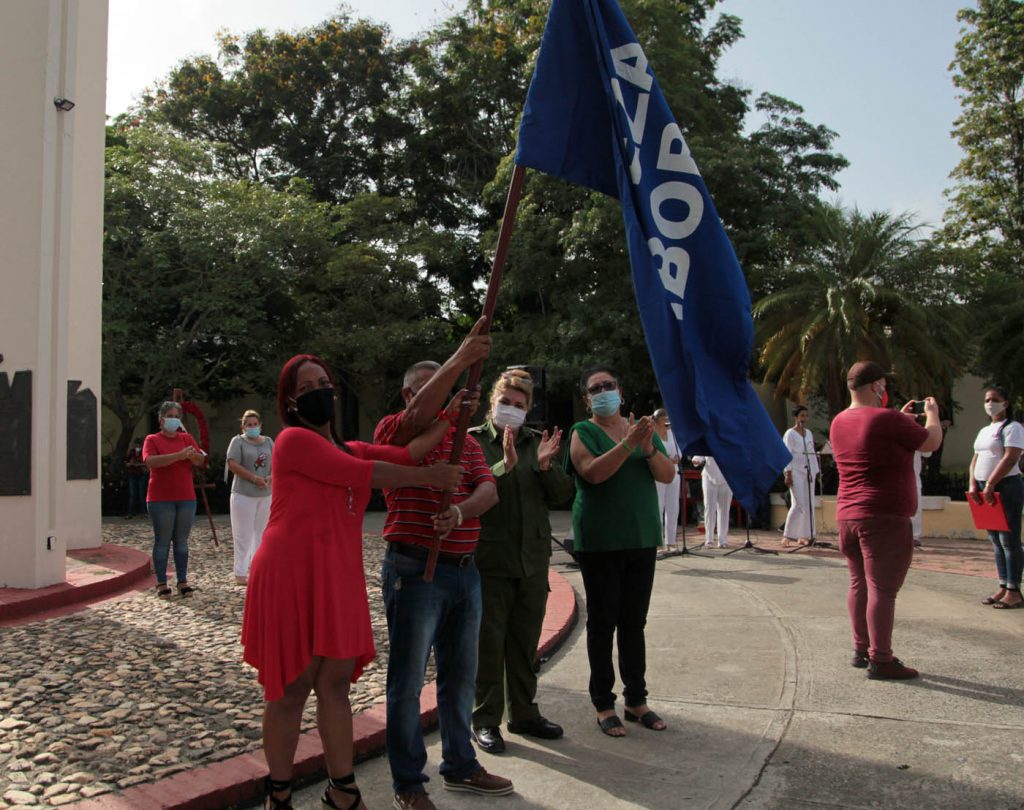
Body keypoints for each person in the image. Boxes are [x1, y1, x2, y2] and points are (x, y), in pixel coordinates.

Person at [241, 354, 463, 810]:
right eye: (307, 387)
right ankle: (278, 797)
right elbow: (369, 475)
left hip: (335, 573)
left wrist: (452, 415)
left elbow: (406, 452)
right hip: (290, 572)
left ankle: (343, 790)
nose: (319, 390)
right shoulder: (292, 441)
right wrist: (429, 478)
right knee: (292, 687)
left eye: (324, 381)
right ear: (291, 401)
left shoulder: (349, 447)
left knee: (336, 683)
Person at [374, 317, 512, 810]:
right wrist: (462, 358)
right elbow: (416, 423)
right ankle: (408, 783)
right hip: (415, 573)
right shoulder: (393, 431)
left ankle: (460, 765)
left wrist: (457, 511)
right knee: (407, 682)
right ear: (407, 393)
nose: (429, 398)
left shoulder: (467, 440)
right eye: (422, 390)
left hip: (464, 571)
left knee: (460, 676)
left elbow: (488, 490)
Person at [468, 368, 574, 755]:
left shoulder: (536, 443)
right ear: (491, 404)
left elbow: (562, 495)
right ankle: (485, 720)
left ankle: (525, 714)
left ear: (528, 410)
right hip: (490, 561)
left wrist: (546, 467)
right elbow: (469, 493)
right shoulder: (474, 443)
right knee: (489, 644)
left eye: (519, 405)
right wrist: (503, 467)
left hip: (532, 560)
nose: (511, 410)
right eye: (506, 403)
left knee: (526, 644)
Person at [568, 365, 676, 737]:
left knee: (634, 622)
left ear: (621, 391)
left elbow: (667, 474)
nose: (604, 391)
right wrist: (629, 443)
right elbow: (593, 473)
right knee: (603, 623)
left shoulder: (641, 430)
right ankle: (603, 703)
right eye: (596, 388)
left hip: (641, 538)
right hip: (600, 542)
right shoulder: (582, 432)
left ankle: (636, 700)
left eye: (609, 385)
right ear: (588, 399)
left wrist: (646, 449)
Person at [830, 361, 942, 680]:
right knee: (882, 589)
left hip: (848, 515)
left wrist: (900, 418)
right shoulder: (887, 419)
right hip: (884, 517)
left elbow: (876, 440)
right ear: (877, 386)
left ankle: (861, 649)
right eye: (883, 385)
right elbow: (930, 441)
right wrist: (932, 413)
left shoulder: (839, 421)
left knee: (858, 583)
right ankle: (881, 659)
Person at [968, 385, 1024, 609]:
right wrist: (973, 483)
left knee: (1008, 540)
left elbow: (1011, 457)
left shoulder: (1013, 428)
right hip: (984, 489)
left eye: (994, 399)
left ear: (1006, 403)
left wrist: (991, 483)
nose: (990, 403)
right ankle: (1003, 584)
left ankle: (1014, 589)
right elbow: (976, 458)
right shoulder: (984, 430)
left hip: (1006, 487)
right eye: (987, 400)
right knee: (995, 540)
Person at [143, 402, 206, 597]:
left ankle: (182, 581)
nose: (174, 419)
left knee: (181, 541)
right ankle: (161, 582)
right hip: (160, 498)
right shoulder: (152, 439)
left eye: (176, 416)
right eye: (170, 415)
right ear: (162, 420)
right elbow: (150, 461)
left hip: (186, 497)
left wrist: (193, 455)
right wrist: (178, 455)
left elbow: (200, 459)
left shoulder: (186, 438)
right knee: (162, 541)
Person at [226, 410, 275, 586]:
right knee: (243, 534)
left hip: (266, 494)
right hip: (244, 494)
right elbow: (233, 464)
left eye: (255, 424)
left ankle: (258, 568)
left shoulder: (268, 441)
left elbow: (276, 462)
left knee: (261, 533)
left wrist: (270, 476)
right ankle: (240, 571)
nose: (252, 427)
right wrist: (254, 478)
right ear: (243, 426)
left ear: (260, 425)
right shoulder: (238, 442)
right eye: (249, 425)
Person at [782, 405, 820, 547]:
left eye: (806, 416)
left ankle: (805, 535)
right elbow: (786, 454)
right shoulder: (790, 434)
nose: (804, 418)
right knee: (798, 504)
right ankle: (787, 535)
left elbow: (811, 451)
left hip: (808, 472)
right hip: (795, 472)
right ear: (796, 417)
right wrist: (788, 473)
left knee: (809, 504)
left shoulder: (808, 433)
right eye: (801, 416)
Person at [652, 408, 681, 555]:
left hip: (674, 473)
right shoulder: (652, 435)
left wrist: (677, 458)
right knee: (658, 507)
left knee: (673, 508)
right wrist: (665, 460)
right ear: (657, 421)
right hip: (659, 475)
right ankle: (658, 543)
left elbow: (679, 452)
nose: (667, 422)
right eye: (664, 420)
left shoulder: (672, 434)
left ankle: (671, 541)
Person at [691, 455, 732, 549]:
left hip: (727, 477)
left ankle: (723, 540)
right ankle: (709, 540)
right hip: (708, 476)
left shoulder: (731, 440)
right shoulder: (709, 440)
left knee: (724, 509)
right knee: (709, 508)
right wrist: (697, 459)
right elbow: (700, 454)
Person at [910, 450, 932, 549]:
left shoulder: (916, 434)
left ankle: (914, 536)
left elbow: (928, 452)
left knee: (915, 506)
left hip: (912, 478)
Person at [124, 437, 148, 519]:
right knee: (132, 494)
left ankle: (143, 513)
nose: (137, 446)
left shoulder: (145, 452)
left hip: (141, 474)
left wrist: (139, 465)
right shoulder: (131, 452)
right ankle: (130, 513)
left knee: (142, 494)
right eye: (136, 444)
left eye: (139, 445)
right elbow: (126, 461)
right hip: (132, 474)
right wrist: (129, 464)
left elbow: (147, 462)